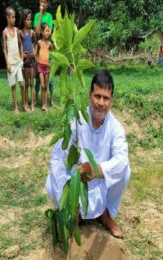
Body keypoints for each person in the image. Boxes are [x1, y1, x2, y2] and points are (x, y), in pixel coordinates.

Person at [45, 70, 131, 239]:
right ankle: (73, 213)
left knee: (126, 172)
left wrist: (97, 170)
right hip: (76, 180)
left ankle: (104, 213)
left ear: (111, 101)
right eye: (97, 96)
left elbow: (121, 161)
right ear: (89, 95)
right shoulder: (76, 120)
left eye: (106, 98)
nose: (101, 103)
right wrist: (68, 195)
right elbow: (56, 157)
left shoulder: (115, 128)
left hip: (99, 180)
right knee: (50, 184)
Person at [2, 7, 26, 114]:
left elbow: (21, 45)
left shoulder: (17, 30)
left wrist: (21, 58)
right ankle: (16, 107)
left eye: (15, 17)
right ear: (7, 18)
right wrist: (7, 63)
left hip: (18, 62)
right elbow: (4, 48)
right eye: (12, 17)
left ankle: (24, 106)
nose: (14, 19)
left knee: (22, 84)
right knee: (13, 86)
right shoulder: (5, 32)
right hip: (11, 64)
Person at [33, 0, 54, 106]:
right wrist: (40, 14)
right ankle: (37, 99)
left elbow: (50, 31)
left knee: (49, 81)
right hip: (39, 47)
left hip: (47, 51)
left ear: (47, 4)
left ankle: (50, 100)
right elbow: (36, 31)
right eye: (41, 1)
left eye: (45, 2)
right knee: (38, 80)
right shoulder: (37, 15)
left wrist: (46, 31)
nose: (42, 3)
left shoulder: (50, 16)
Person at [20, 9, 37, 111]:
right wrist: (22, 54)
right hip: (25, 59)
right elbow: (20, 46)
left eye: (30, 20)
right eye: (28, 19)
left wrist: (34, 53)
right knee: (26, 83)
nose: (29, 22)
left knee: (32, 83)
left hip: (32, 59)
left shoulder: (32, 33)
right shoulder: (20, 33)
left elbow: (35, 45)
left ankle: (32, 105)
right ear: (23, 20)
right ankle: (25, 103)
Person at [35, 24, 53, 111]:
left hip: (47, 67)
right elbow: (35, 54)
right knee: (42, 85)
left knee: (45, 86)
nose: (48, 32)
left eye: (49, 31)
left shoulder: (50, 44)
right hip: (40, 66)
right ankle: (43, 103)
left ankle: (45, 104)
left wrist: (51, 63)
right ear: (42, 32)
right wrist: (37, 60)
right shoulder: (39, 43)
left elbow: (53, 54)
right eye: (46, 30)